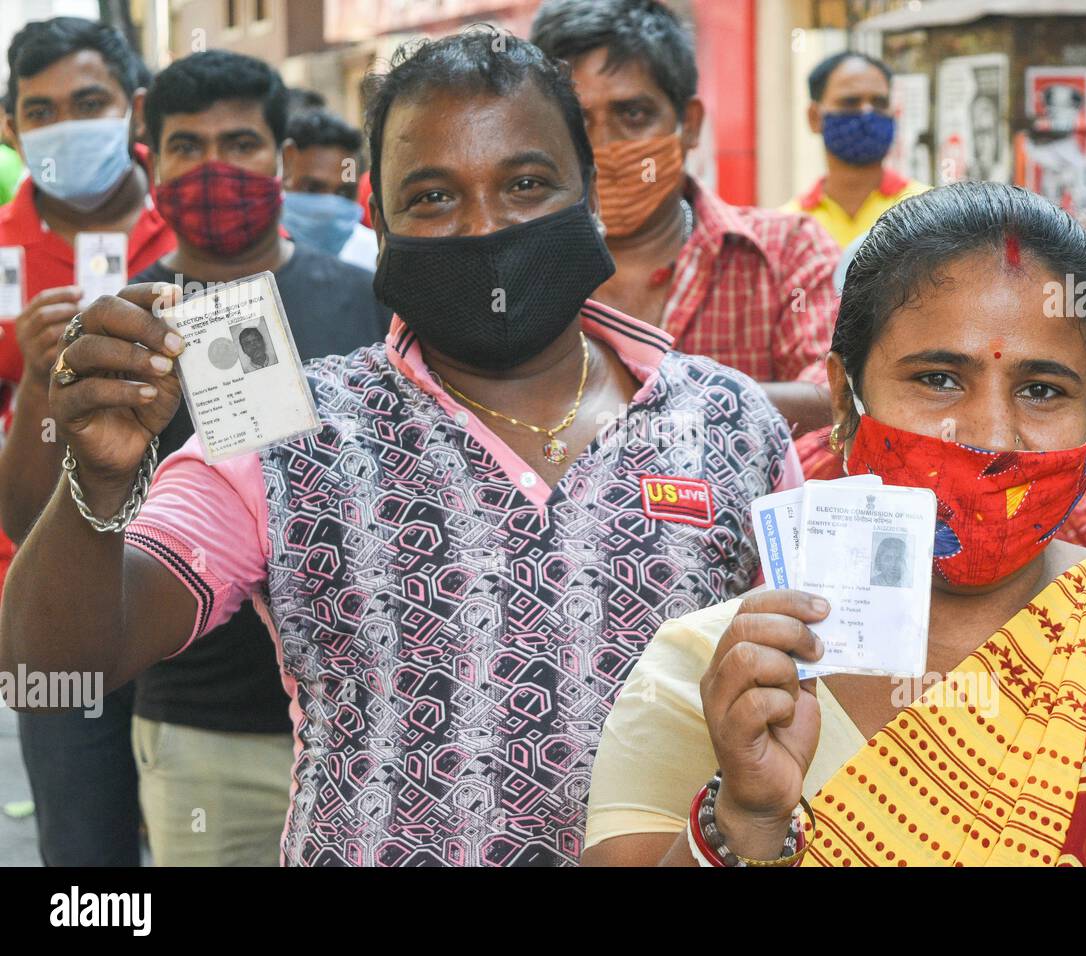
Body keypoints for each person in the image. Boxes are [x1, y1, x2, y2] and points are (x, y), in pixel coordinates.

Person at [0, 30, 800, 867]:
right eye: (433, 198)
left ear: (587, 195)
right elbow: (64, 664)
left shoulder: (728, 423)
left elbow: (807, 705)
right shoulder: (287, 424)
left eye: (526, 183)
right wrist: (94, 478)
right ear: (377, 222)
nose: (486, 226)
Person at [581, 181, 1086, 867]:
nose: (991, 434)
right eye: (939, 379)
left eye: (1043, 390)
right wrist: (744, 822)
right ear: (841, 396)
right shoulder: (714, 675)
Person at [125, 49, 391, 867]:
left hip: (368, 717)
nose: (215, 168)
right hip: (203, 728)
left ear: (279, 157)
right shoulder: (132, 319)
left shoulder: (366, 297)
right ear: (154, 162)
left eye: (239, 144)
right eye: (187, 147)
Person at [0, 16, 174, 868]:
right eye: (42, 109)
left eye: (90, 101)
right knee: (82, 858)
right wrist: (38, 381)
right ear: (10, 127)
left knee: (209, 833)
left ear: (134, 109)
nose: (67, 124)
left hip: (201, 600)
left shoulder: (200, 224)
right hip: (52, 603)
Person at [531, 0, 840, 437]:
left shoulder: (786, 251)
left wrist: (628, 406)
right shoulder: (520, 268)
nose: (603, 148)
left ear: (689, 124)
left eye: (633, 114)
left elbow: (835, 401)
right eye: (578, 121)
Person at [784, 51, 929, 249]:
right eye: (850, 102)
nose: (867, 113)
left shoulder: (929, 211)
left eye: (879, 102)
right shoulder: (789, 227)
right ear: (814, 118)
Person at [282, 108, 378, 271]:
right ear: (283, 176)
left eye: (344, 193)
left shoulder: (373, 258)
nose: (330, 206)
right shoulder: (248, 259)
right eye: (312, 190)